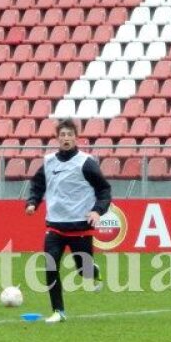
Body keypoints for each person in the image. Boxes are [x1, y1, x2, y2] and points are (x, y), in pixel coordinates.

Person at [25, 118, 112, 323]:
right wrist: (32, 202)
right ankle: (58, 311)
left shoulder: (85, 162)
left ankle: (93, 271)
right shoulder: (49, 162)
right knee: (50, 265)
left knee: (83, 270)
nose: (66, 138)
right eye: (62, 135)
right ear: (57, 138)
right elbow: (37, 185)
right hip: (54, 225)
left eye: (69, 135)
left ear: (76, 137)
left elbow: (104, 189)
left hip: (79, 226)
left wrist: (97, 211)